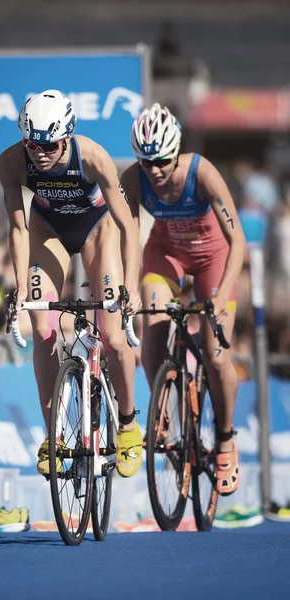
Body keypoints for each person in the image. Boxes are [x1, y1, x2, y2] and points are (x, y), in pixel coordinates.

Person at [0, 89, 142, 478]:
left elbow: (127, 225)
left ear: (68, 136)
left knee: (113, 335)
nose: (40, 153)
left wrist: (130, 286)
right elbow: (17, 227)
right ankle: (53, 435)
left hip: (99, 231)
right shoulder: (12, 161)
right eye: (33, 144)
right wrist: (21, 288)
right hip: (50, 233)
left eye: (50, 145)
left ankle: (128, 424)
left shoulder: (92, 156)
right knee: (43, 329)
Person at [121, 103, 246, 496]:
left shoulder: (201, 171)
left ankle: (225, 437)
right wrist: (125, 287)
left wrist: (222, 295)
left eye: (161, 161)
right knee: (152, 321)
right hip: (167, 252)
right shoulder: (134, 179)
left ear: (176, 153)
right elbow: (124, 238)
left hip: (214, 257)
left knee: (216, 354)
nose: (154, 170)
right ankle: (161, 405)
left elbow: (237, 239)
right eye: (145, 162)